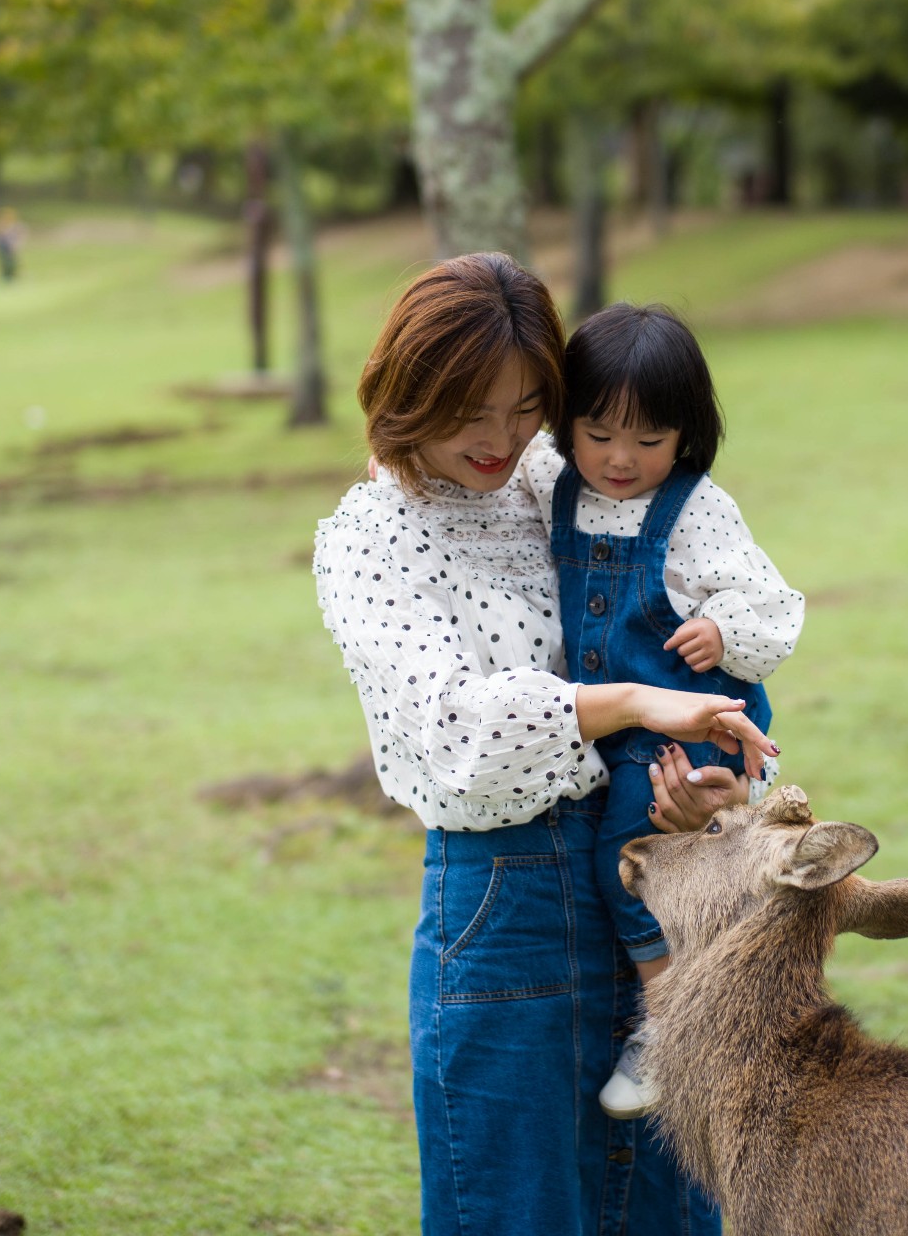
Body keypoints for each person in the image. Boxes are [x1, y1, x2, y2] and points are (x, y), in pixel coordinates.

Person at [314, 253, 763, 1236]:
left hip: (648, 879)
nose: (500, 437)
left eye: (525, 407)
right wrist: (639, 700)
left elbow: (690, 622)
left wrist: (701, 791)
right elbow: (458, 733)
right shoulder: (370, 539)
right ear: (407, 387)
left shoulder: (562, 484)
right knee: (514, 1212)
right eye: (469, 408)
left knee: (665, 1209)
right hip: (501, 908)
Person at [523, 304, 801, 1119]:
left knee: (629, 856)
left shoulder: (698, 508)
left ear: (686, 437)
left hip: (695, 725)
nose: (619, 459)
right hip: (616, 722)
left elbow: (776, 604)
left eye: (648, 441)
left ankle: (672, 1020)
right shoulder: (555, 484)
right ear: (568, 421)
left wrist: (726, 629)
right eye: (599, 433)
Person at [0, 207, 23, 281]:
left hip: (8, 246)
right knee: (5, 262)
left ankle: (10, 275)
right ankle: (6, 275)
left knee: (10, 261)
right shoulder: (2, 225)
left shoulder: (12, 225)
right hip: (3, 246)